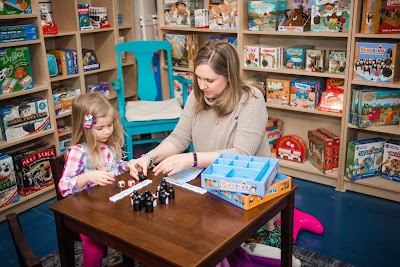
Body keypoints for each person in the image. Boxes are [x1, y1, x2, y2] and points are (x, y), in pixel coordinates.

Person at [127, 40, 271, 179]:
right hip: (214, 177)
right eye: (198, 78)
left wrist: (191, 158)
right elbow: (178, 138)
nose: (202, 86)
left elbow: (242, 154)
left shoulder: (251, 99)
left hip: (250, 180)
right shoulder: (198, 96)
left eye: (210, 80)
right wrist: (148, 158)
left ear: (229, 77)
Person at [58, 92, 137, 267]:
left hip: (109, 205)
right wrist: (86, 177)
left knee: (136, 228)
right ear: (85, 126)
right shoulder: (78, 152)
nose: (108, 131)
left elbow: (115, 168)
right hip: (87, 212)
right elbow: (63, 187)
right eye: (100, 128)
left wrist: (127, 166)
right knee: (95, 247)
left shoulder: (109, 144)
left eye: (110, 125)